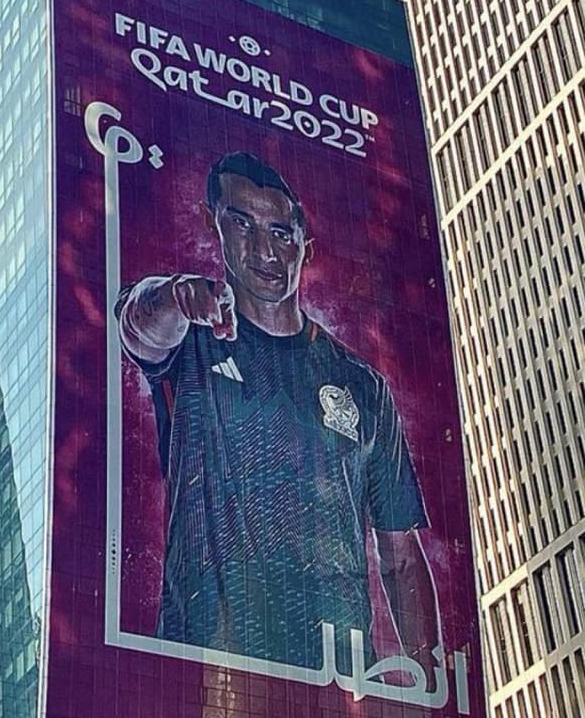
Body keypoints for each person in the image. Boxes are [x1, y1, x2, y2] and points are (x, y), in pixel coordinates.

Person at [116, 152, 441, 678]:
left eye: (281, 233)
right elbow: (136, 326)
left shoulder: (362, 386)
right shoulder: (191, 343)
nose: (264, 251)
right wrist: (177, 295)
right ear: (212, 223)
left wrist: (430, 685)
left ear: (305, 247)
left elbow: (401, 557)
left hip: (336, 682)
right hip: (207, 667)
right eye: (242, 224)